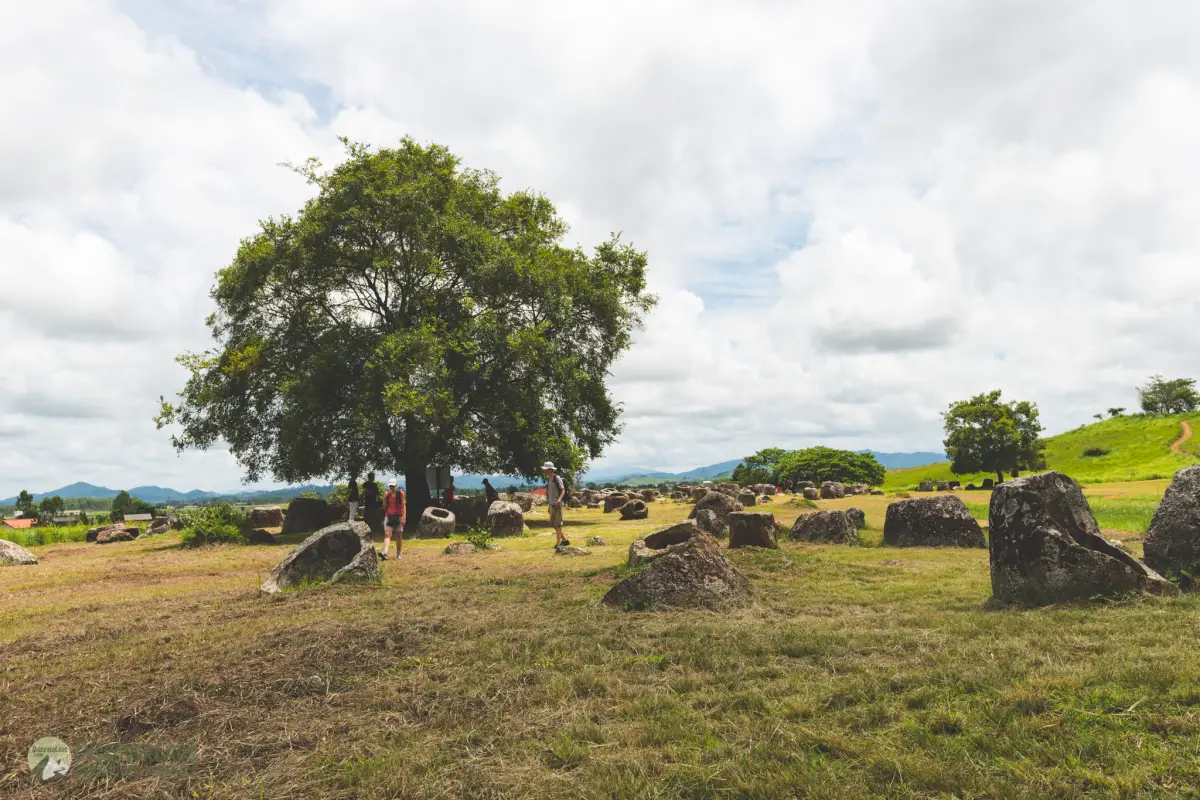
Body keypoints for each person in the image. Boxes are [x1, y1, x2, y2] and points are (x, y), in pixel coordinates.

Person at [543, 461, 568, 548]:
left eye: (546, 469)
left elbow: (563, 490)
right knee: (554, 524)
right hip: (551, 505)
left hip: (557, 504)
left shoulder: (556, 478)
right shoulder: (549, 479)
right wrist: (549, 506)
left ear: (550, 469)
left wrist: (559, 500)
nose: (544, 471)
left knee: (557, 524)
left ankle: (558, 544)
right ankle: (564, 540)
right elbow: (549, 493)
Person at [380, 478, 406, 560]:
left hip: (398, 516)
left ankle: (398, 554)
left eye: (393, 486)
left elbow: (403, 506)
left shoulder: (400, 493)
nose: (392, 488)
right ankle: (385, 553)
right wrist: (384, 498)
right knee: (387, 534)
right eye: (390, 486)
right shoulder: (387, 494)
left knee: (399, 535)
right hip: (389, 515)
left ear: (396, 486)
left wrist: (403, 517)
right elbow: (384, 507)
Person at [363, 471, 382, 536]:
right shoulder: (372, 485)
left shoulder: (367, 484)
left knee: (370, 515)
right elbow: (376, 492)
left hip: (370, 501)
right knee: (370, 515)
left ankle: (372, 528)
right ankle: (369, 528)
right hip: (370, 502)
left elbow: (367, 492)